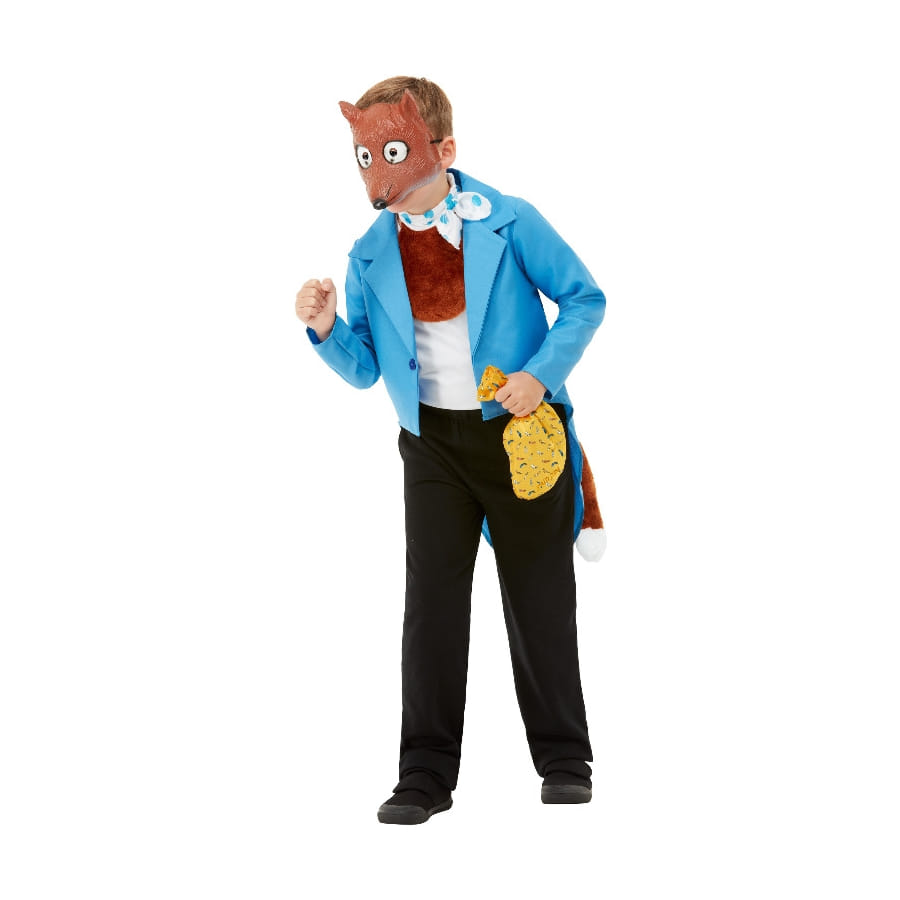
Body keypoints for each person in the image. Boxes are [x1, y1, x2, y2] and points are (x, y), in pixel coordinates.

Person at [296, 76, 606, 825]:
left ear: (444, 150)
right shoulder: (369, 253)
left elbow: (584, 298)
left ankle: (565, 758)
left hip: (520, 434)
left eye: (393, 154)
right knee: (431, 608)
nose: (379, 178)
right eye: (366, 157)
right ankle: (425, 774)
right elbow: (367, 368)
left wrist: (539, 376)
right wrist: (326, 329)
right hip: (432, 446)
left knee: (539, 596)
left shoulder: (511, 219)